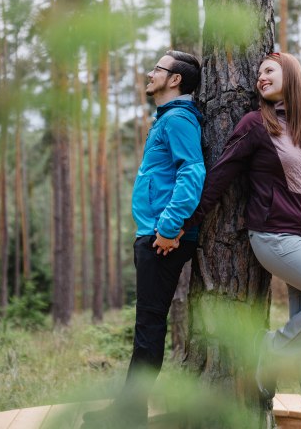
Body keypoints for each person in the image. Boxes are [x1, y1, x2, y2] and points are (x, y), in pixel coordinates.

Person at [180, 52, 301, 429]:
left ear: (290, 75)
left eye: (269, 71)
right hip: (275, 237)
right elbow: (220, 175)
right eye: (259, 73)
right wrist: (188, 222)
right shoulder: (255, 124)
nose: (260, 78)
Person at [81, 50, 204, 428]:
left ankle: (130, 413)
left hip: (161, 237)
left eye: (157, 69)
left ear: (175, 79)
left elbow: (193, 172)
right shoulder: (167, 119)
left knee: (149, 327)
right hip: (156, 233)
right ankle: (130, 408)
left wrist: (168, 228)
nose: (149, 75)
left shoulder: (178, 118)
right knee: (147, 325)